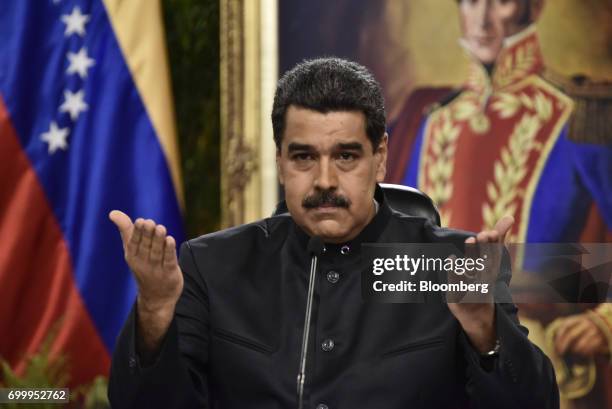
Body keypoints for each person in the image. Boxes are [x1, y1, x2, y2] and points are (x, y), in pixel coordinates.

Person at [107, 57, 558, 408]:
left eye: (346, 156)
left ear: (379, 157)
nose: (324, 180)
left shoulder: (453, 266)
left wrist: (486, 332)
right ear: (280, 160)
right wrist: (155, 313)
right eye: (303, 157)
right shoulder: (211, 266)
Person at [386, 0, 612, 407]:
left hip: (540, 367)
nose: (483, 18)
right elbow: (392, 262)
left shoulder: (582, 118)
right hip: (429, 372)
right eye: (471, 2)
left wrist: (605, 321)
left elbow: (597, 265)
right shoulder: (425, 120)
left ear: (534, 8)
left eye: (501, 1)